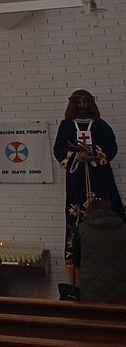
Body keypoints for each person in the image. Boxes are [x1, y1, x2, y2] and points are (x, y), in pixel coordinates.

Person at [54, 89, 124, 265]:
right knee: (76, 213)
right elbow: (59, 150)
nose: (82, 106)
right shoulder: (66, 126)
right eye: (79, 103)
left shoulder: (101, 126)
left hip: (100, 177)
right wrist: (77, 156)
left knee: (106, 209)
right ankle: (76, 261)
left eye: (85, 102)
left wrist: (94, 153)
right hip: (77, 178)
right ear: (73, 104)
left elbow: (112, 148)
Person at [72, 198, 126, 303]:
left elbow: (76, 262)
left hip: (91, 290)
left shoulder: (81, 230)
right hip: (121, 290)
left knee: (92, 318)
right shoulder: (123, 229)